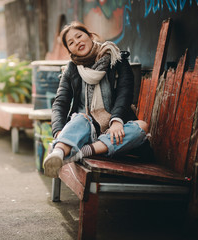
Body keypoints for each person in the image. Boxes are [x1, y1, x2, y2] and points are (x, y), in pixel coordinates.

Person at [43, 21, 150, 178]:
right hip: (85, 131)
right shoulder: (71, 69)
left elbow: (125, 93)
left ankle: (78, 153)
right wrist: (59, 131)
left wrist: (116, 121)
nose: (77, 42)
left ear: (90, 35)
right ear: (69, 50)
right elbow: (60, 103)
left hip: (114, 132)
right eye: (71, 42)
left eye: (79, 36)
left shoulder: (116, 59)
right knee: (80, 118)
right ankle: (58, 152)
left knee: (142, 126)